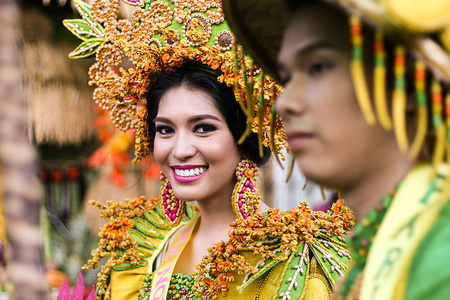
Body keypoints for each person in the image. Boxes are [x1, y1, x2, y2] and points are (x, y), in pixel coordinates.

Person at [63, 0, 354, 299]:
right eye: (165, 130)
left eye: (203, 128)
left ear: (246, 136)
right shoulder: (142, 253)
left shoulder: (295, 264)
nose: (180, 149)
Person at [223, 0, 450, 299]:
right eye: (288, 78)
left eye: (318, 67)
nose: (285, 102)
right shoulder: (380, 244)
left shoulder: (438, 252)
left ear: (406, 80)